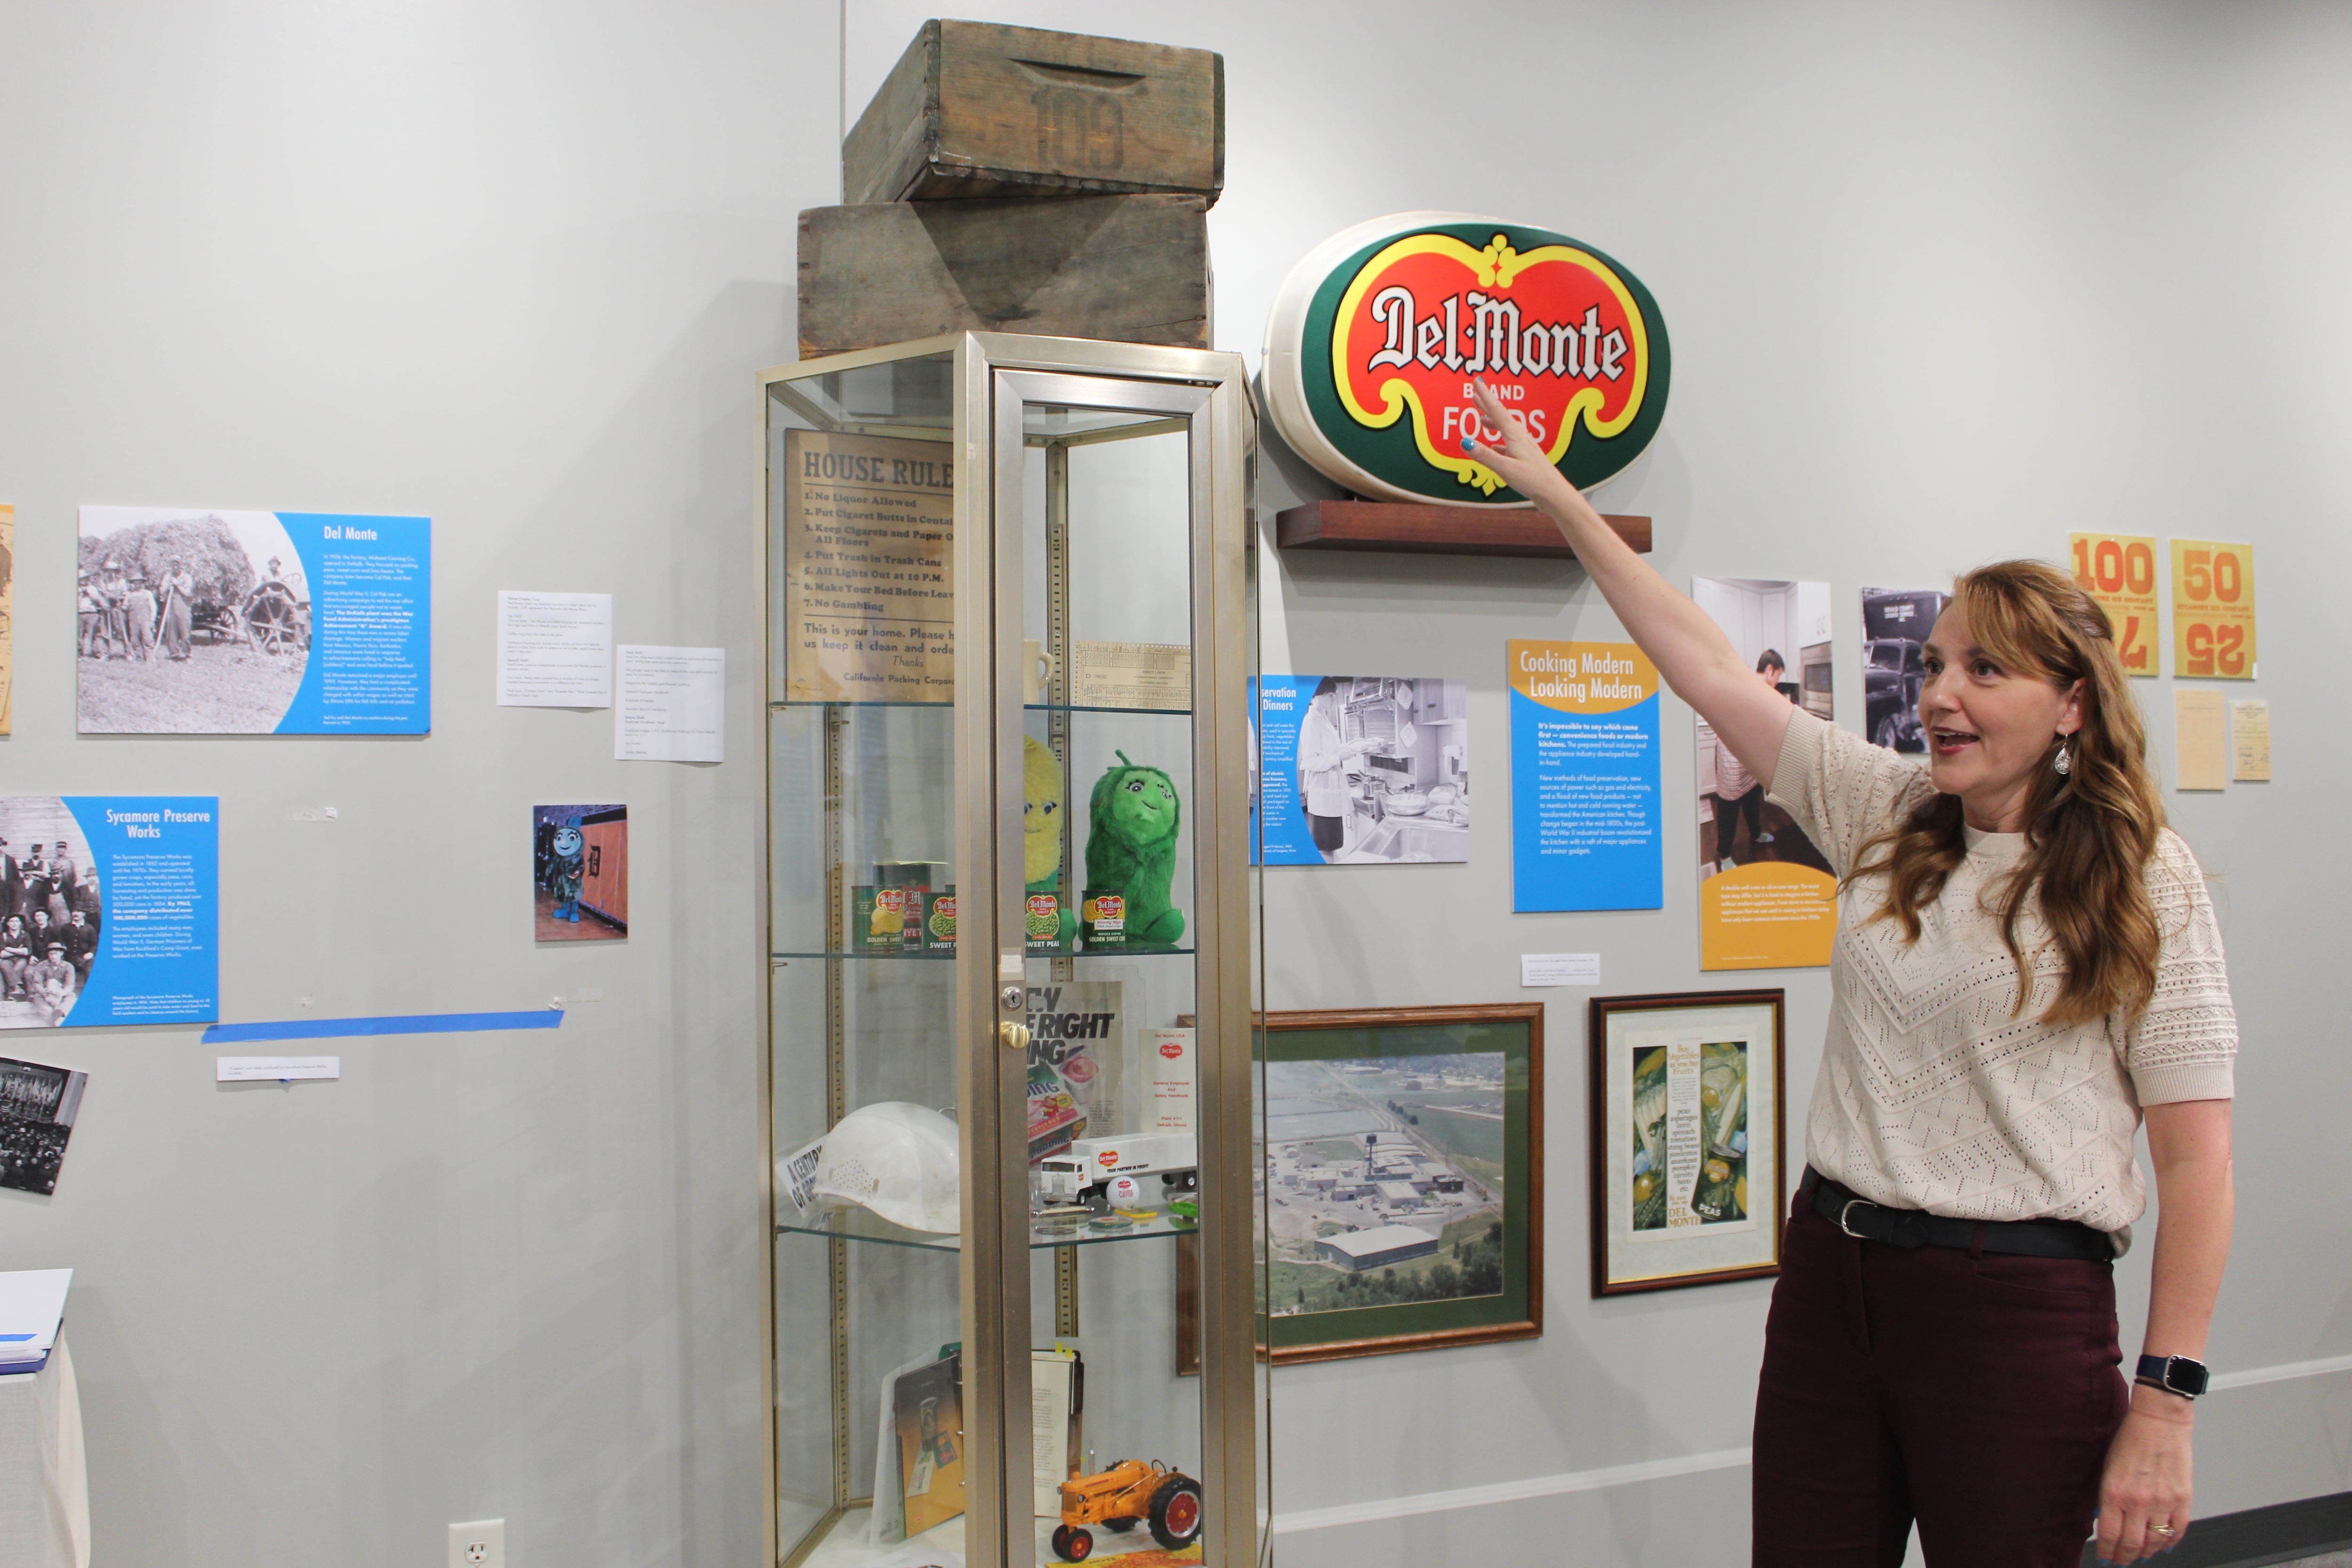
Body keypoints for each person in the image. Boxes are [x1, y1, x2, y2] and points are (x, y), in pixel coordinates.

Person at [1464, 380, 2234, 1568]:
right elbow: (1709, 668)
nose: (1937, 696)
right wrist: (1555, 491)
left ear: (2070, 702)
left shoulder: (2145, 878)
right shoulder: (1890, 809)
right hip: (1833, 1277)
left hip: (2016, 1309)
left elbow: (2196, 1163)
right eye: (1934, 665)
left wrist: (2166, 1406)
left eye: (1984, 672)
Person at [1711, 650, 1789, 868]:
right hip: (1731, 753)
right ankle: (1724, 854)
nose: (1778, 681)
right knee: (1729, 805)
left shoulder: (1762, 690)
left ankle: (1756, 834)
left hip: (1748, 751)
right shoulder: (1744, 684)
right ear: (1770, 670)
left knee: (1753, 796)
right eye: (1778, 675)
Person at [1296, 677, 1378, 860]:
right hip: (1322, 793)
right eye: (1331, 695)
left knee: (1333, 843)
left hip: (1332, 792)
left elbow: (1331, 751)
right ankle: (1328, 878)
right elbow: (1310, 762)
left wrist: (1355, 746)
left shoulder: (1324, 720)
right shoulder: (1311, 723)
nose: (1334, 699)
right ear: (1317, 696)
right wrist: (1339, 757)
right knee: (1326, 845)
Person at [25, 942, 72, 1026]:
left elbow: (70, 984)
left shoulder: (68, 966)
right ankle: (53, 1018)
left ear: (61, 953)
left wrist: (62, 992)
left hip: (60, 992)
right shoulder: (41, 966)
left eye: (56, 954)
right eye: (51, 954)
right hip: (46, 992)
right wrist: (43, 991)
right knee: (37, 998)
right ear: (48, 955)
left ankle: (61, 1013)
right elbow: (37, 982)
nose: (53, 957)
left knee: (71, 996)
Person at [95, 557, 130, 658]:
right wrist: (102, 603)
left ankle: (128, 653)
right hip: (106, 609)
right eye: (108, 571)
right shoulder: (102, 582)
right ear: (105, 572)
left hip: (117, 609)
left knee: (122, 631)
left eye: (113, 571)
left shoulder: (121, 582)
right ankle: (105, 653)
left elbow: (126, 595)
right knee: (105, 632)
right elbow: (99, 595)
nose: (110, 574)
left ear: (116, 572)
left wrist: (117, 599)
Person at [161, 560, 195, 659]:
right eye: (173, 565)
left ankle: (186, 653)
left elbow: (187, 593)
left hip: (184, 607)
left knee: (185, 632)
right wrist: (169, 585)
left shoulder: (186, 577)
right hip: (171, 607)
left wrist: (178, 585)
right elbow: (162, 590)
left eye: (177, 565)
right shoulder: (168, 576)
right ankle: (174, 653)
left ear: (181, 566)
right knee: (171, 632)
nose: (175, 567)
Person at [124, 577, 158, 661]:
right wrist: (123, 607)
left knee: (148, 638)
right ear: (132, 584)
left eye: (139, 583)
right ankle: (139, 657)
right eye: (135, 583)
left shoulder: (147, 594)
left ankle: (150, 658)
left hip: (145, 620)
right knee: (134, 639)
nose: (137, 585)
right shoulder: (129, 595)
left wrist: (152, 620)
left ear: (142, 584)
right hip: (133, 620)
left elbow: (153, 607)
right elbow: (125, 606)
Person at [62, 909, 97, 986]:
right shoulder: (66, 928)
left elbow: (95, 943)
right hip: (69, 958)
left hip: (84, 958)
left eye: (78, 912)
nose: (75, 914)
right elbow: (61, 941)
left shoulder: (89, 928)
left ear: (84, 914)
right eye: (74, 912)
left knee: (90, 972)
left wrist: (91, 953)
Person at [0, 915, 29, 1002]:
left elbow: (27, 952)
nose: (14, 924)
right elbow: (2, 954)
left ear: (20, 924)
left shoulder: (25, 935)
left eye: (17, 921)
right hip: (8, 960)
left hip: (22, 960)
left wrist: (10, 950)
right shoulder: (4, 936)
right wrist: (20, 950)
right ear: (8, 924)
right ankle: (17, 988)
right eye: (12, 922)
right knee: (4, 964)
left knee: (17, 969)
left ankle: (11, 993)